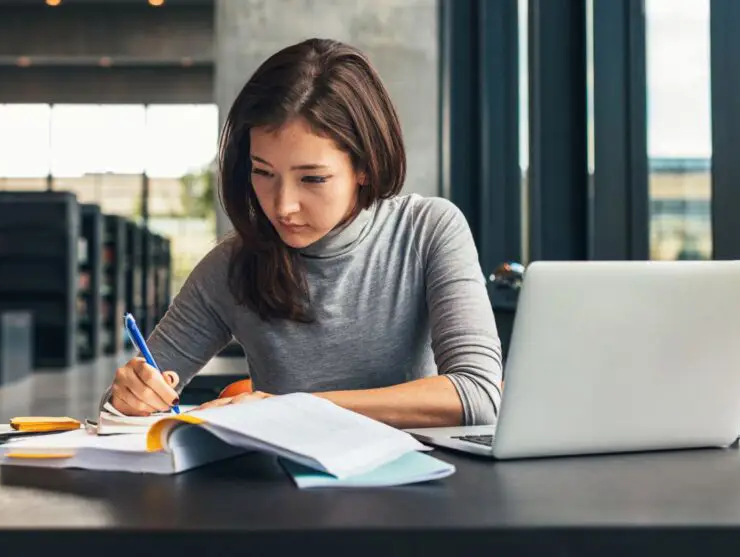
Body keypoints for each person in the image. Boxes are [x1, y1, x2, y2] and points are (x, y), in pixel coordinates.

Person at [105, 38, 502, 429]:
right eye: (263, 173)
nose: (282, 206)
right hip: (285, 489)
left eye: (312, 178)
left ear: (365, 166)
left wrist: (290, 408)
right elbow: (117, 411)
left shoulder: (427, 230)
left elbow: (478, 394)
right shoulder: (230, 266)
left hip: (420, 485)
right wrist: (130, 398)